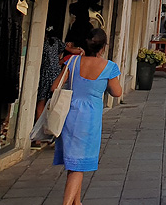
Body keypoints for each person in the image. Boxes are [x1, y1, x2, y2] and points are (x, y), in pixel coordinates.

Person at [53, 28, 123, 205]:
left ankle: (77, 202)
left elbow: (55, 87)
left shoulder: (73, 61)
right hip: (89, 118)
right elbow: (117, 92)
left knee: (74, 164)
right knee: (78, 165)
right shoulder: (109, 67)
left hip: (69, 114)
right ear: (103, 48)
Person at [35, 28, 67, 120]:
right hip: (55, 73)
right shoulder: (56, 42)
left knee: (41, 100)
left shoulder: (42, 44)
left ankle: (38, 123)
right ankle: (49, 122)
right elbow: (69, 49)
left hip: (44, 74)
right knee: (53, 101)